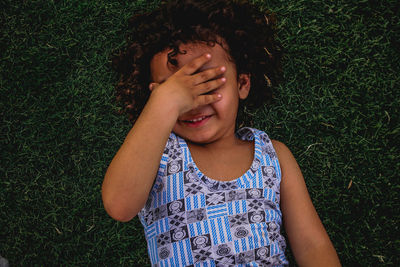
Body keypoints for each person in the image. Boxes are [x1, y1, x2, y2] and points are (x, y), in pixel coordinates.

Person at [102, 0, 341, 266]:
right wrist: (163, 106)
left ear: (242, 84)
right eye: (175, 92)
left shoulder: (274, 155)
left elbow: (312, 245)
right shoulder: (156, 154)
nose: (194, 103)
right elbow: (119, 205)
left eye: (208, 84)